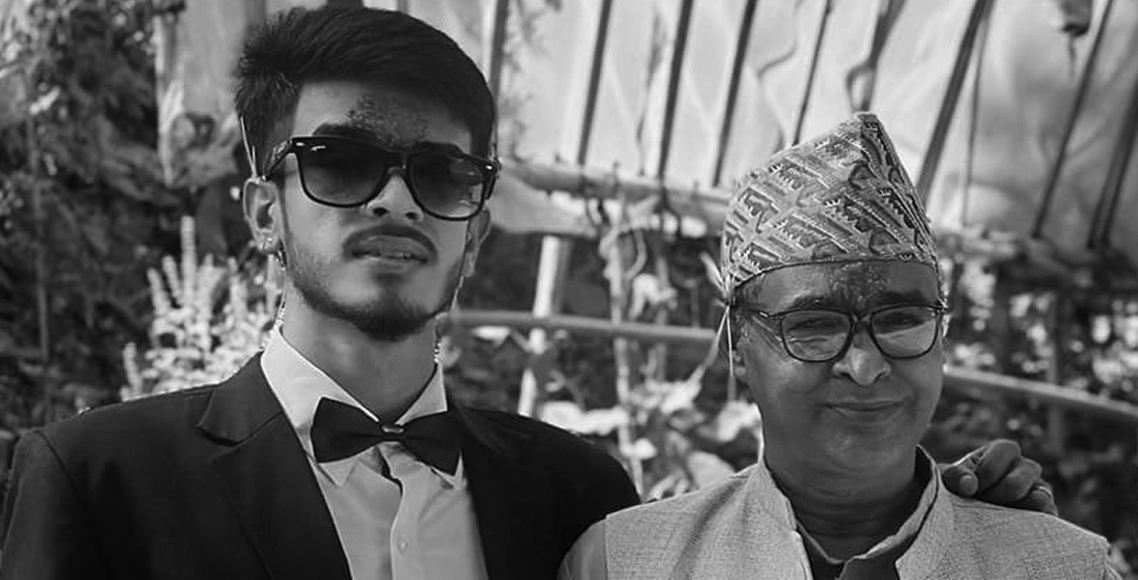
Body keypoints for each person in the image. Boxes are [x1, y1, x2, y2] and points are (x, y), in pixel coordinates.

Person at [0, 7, 1059, 580]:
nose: (396, 199)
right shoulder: (98, 481)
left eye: (441, 173)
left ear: (475, 221)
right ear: (262, 209)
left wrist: (947, 528)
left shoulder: (577, 502)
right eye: (341, 162)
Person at [559, 112, 1119, 580]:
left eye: (902, 320)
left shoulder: (1064, 567)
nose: (866, 365)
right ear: (737, 346)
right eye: (814, 326)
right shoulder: (625, 564)